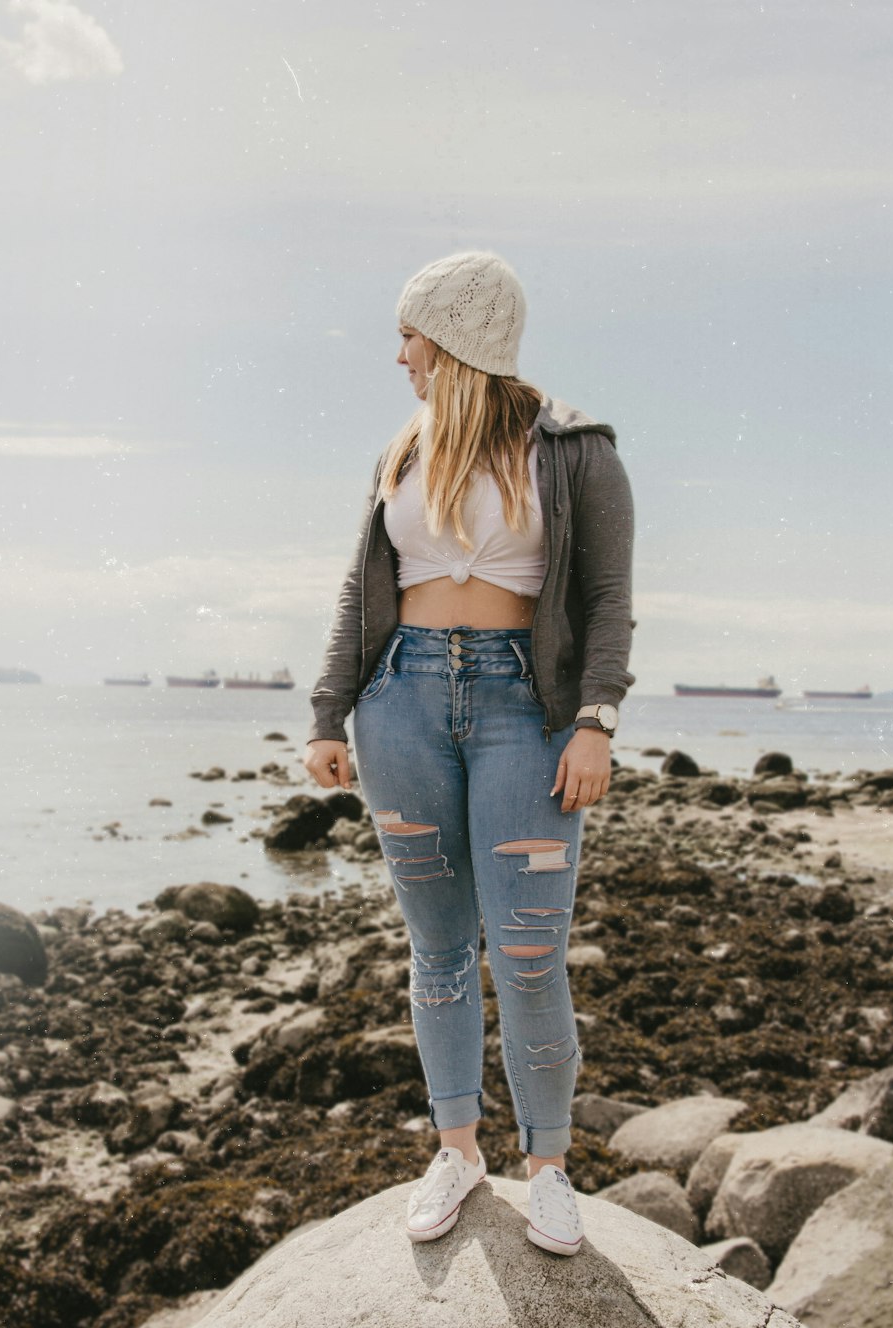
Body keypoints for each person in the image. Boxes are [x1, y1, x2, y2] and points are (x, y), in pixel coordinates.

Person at [305, 251, 634, 1256]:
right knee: (439, 952)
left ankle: (548, 1169)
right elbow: (364, 594)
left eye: (412, 333)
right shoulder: (399, 454)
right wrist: (327, 713)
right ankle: (457, 1149)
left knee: (529, 953)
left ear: (455, 341)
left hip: (520, 712)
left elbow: (608, 599)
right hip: (398, 704)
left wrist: (596, 720)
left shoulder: (575, 448)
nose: (398, 352)